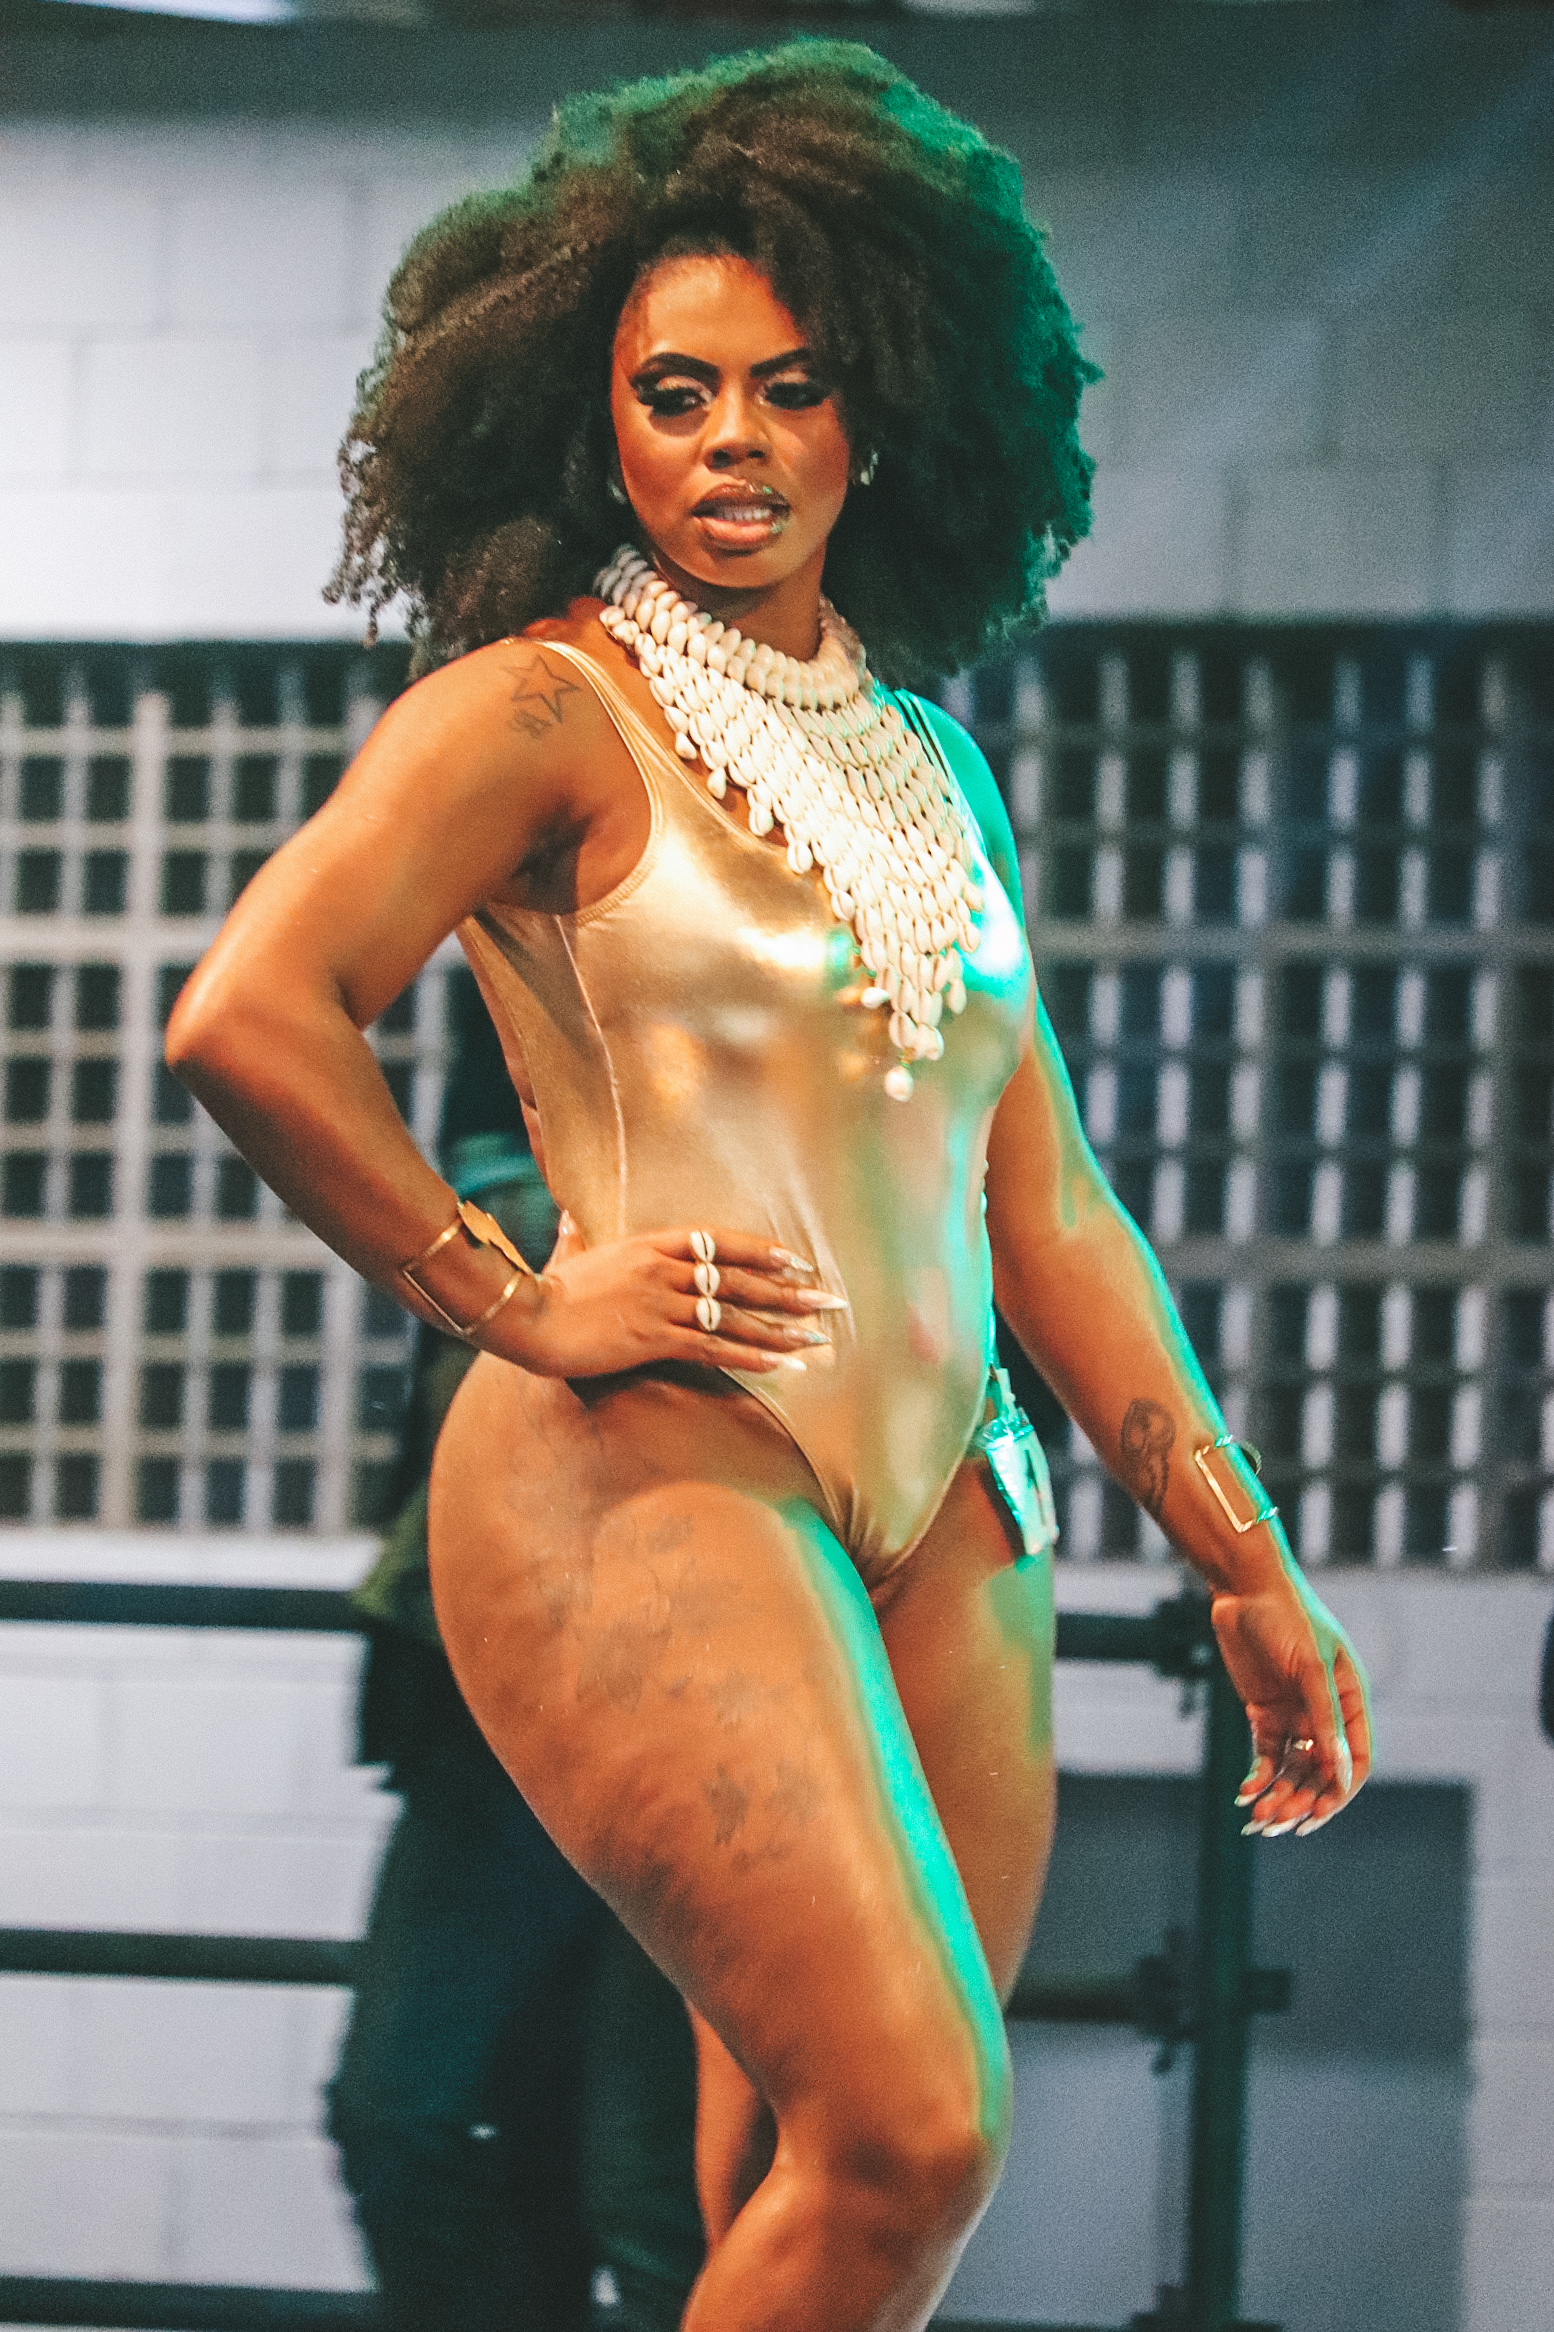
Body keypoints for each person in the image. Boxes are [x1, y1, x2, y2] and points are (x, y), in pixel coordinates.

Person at [167, 44, 1372, 2332]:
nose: (733, 438)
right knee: (921, 2125)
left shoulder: (931, 761)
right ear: (597, 426)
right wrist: (514, 1294)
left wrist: (1243, 1551)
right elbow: (248, 1013)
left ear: (880, 417)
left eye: (789, 387)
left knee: (806, 2178)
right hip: (660, 1461)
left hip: (957, 1501)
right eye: (676, 392)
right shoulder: (539, 708)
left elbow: (1051, 1209)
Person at [328, 974, 704, 2332]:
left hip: (706, 1699)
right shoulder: (512, 990)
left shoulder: (816, 1011)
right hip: (491, 1707)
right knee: (406, 2115)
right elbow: (454, 1356)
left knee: (650, 2193)